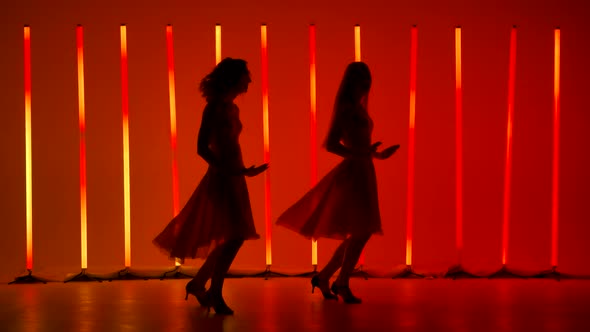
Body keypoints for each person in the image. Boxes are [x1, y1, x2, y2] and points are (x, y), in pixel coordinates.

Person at [276, 61, 399, 303]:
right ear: (351, 83)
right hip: (355, 173)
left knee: (359, 232)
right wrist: (360, 154)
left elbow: (359, 145)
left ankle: (325, 277)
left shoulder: (357, 108)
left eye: (368, 82)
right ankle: (340, 282)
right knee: (361, 231)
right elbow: (331, 144)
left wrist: (376, 154)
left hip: (364, 169)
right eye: (362, 82)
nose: (365, 87)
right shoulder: (345, 109)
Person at [153, 58, 268, 315]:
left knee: (230, 237)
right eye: (246, 75)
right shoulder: (214, 108)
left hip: (234, 176)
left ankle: (198, 285)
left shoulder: (231, 108)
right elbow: (201, 147)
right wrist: (229, 170)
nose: (249, 80)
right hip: (223, 177)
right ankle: (214, 292)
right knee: (234, 236)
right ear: (233, 78)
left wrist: (242, 171)